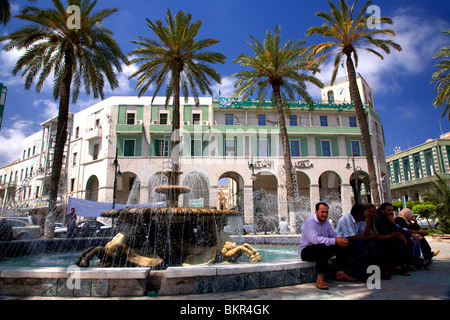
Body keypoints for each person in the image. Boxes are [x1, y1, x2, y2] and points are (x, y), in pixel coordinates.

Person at [299, 202, 356, 290]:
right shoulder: (309, 223)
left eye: (326, 212)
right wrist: (334, 241)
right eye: (322, 212)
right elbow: (315, 240)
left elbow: (333, 234)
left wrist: (340, 239)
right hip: (307, 251)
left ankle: (340, 272)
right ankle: (320, 279)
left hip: (322, 248)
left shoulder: (326, 223)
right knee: (321, 247)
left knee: (343, 244)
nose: (325, 214)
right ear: (316, 212)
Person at [335, 204, 376, 280]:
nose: (367, 215)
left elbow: (365, 234)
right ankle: (360, 274)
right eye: (365, 214)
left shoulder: (361, 221)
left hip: (353, 242)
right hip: (342, 243)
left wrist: (367, 220)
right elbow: (352, 236)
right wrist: (366, 237)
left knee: (372, 243)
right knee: (359, 244)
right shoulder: (346, 219)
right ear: (360, 215)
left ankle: (377, 270)